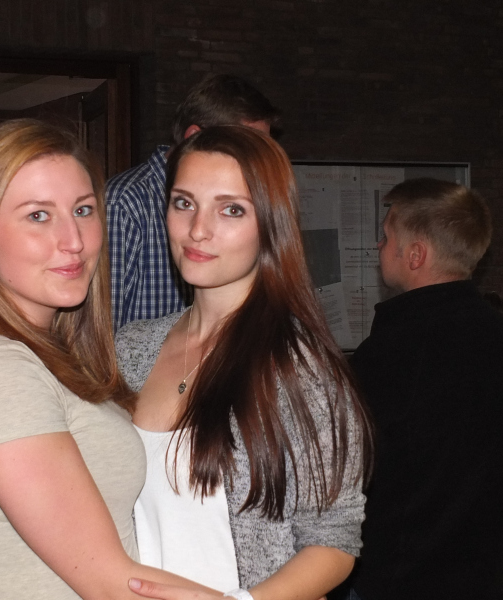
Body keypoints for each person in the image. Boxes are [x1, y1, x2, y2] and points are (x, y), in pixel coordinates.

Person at [0, 119, 217, 599]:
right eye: (38, 216)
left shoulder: (48, 352)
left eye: (83, 210)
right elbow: (113, 584)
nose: (74, 240)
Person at [116, 125, 371, 600]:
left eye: (231, 209)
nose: (198, 229)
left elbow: (333, 541)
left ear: (271, 224)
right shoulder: (130, 349)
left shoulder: (300, 368)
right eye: (183, 203)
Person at [343, 178, 503, 600]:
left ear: (415, 255)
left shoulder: (384, 355)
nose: (379, 247)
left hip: (406, 581)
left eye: (386, 238)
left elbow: (349, 474)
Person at [107, 73, 281, 331]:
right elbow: (100, 329)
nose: (257, 161)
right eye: (245, 146)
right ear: (193, 138)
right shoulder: (124, 201)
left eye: (232, 210)